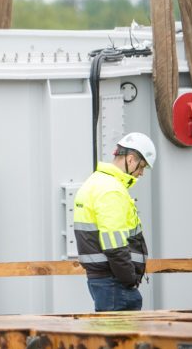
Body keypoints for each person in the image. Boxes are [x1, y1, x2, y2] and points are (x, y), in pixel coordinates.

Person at [73, 132, 156, 312]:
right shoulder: (111, 190)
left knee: (110, 338)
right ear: (131, 159)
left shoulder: (94, 182)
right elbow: (115, 246)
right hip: (115, 283)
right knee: (121, 339)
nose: (141, 173)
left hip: (103, 281)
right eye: (142, 166)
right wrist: (130, 280)